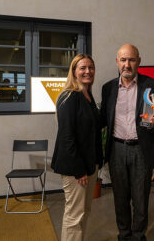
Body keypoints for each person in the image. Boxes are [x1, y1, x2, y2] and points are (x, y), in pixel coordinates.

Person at [100, 44, 154, 240]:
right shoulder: (108, 88)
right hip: (116, 150)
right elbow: (103, 118)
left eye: (131, 60)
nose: (127, 64)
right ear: (117, 62)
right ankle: (124, 234)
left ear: (139, 61)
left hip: (142, 150)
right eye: (123, 60)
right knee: (120, 198)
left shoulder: (152, 85)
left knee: (140, 198)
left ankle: (138, 235)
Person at [51, 54, 103, 241]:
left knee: (84, 211)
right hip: (76, 168)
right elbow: (67, 137)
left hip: (90, 164)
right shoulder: (69, 96)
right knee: (74, 216)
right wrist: (78, 169)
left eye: (91, 67)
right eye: (82, 68)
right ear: (74, 72)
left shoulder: (87, 95)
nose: (87, 71)